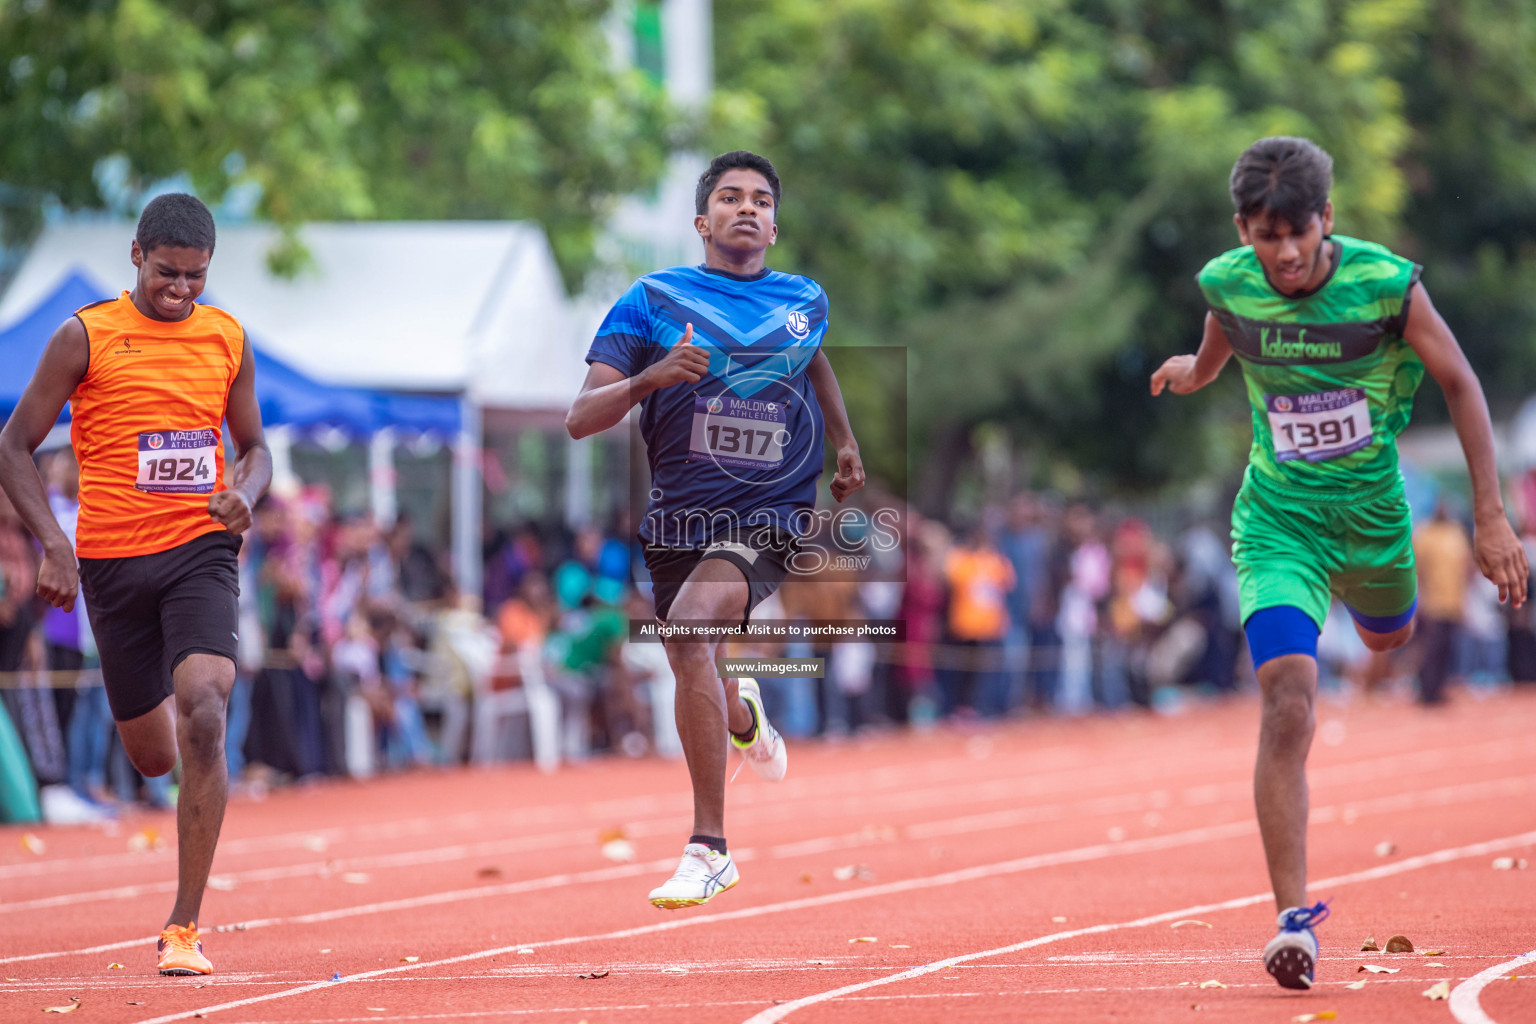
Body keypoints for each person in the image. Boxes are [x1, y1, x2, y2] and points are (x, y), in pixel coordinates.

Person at [1151, 137, 1528, 990]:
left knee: (1389, 639)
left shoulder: (1387, 286)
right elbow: (1218, 347)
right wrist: (1192, 369)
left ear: (1329, 218)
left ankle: (1376, 611)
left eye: (1297, 233)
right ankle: (1294, 920)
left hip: (1373, 524)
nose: (1282, 254)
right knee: (1287, 695)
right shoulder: (1227, 281)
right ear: (1242, 228)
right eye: (1262, 234)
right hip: (1279, 524)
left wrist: (1492, 517)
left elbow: (1462, 385)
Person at [566, 150, 865, 908]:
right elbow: (580, 418)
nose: (747, 208)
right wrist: (647, 379)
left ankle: (710, 847)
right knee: (693, 653)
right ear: (703, 222)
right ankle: (744, 714)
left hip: (772, 508)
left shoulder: (804, 298)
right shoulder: (652, 300)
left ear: (774, 222)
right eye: (730, 198)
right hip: (680, 517)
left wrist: (846, 441)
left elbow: (813, 360)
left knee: (693, 628)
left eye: (761, 200)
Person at [0, 194, 271, 975]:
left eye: (195, 277)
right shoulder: (83, 335)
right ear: (136, 255)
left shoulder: (228, 339)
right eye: (166, 274)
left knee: (208, 711)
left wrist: (246, 492)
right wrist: (54, 544)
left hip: (200, 550)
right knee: (153, 756)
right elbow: (13, 447)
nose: (180, 291)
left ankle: (184, 926)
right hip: (113, 566)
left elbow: (255, 447)